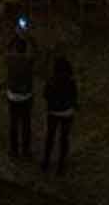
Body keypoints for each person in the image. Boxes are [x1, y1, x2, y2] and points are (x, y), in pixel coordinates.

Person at [42, 54, 77, 175]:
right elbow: (74, 97)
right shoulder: (71, 81)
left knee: (50, 137)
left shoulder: (51, 80)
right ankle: (61, 166)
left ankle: (46, 161)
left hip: (53, 112)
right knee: (64, 139)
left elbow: (45, 95)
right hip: (66, 113)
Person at [5, 31, 37, 159]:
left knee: (13, 124)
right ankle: (26, 151)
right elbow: (35, 50)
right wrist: (29, 37)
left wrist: (15, 35)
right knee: (26, 124)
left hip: (12, 96)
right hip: (26, 96)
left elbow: (7, 48)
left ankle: (14, 151)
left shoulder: (10, 59)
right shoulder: (28, 61)